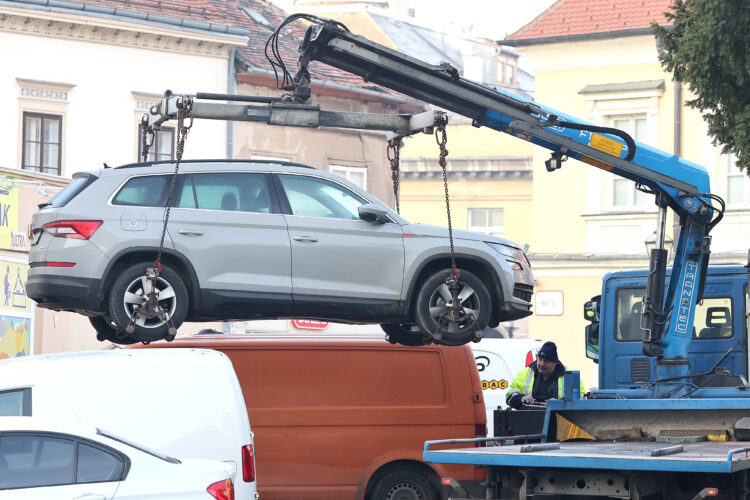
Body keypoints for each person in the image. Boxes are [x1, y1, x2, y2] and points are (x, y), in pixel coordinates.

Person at [505, 341, 585, 409]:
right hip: (528, 421)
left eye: (546, 361)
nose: (541, 364)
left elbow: (581, 400)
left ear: (555, 363)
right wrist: (521, 398)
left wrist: (560, 403)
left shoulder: (570, 376)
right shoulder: (523, 374)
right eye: (539, 359)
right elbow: (509, 397)